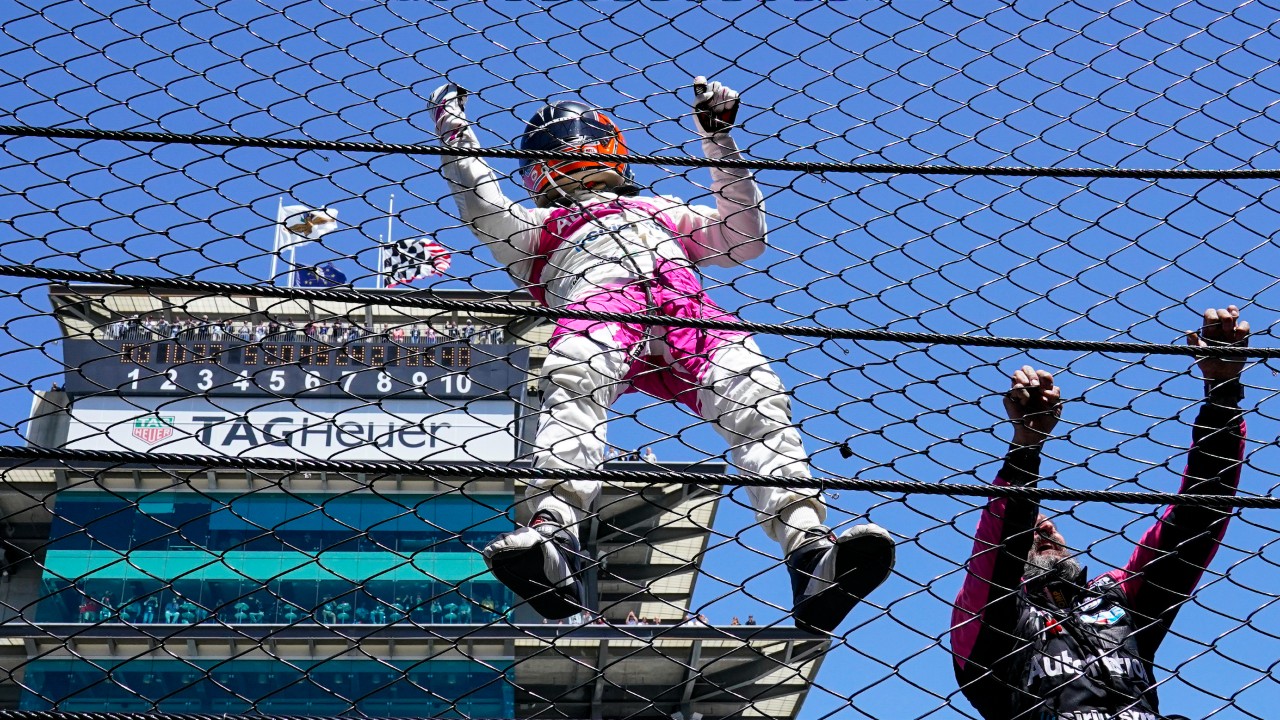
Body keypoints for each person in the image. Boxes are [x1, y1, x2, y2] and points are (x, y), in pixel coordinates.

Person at [429, 77, 894, 635]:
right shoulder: (533, 229)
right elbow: (478, 199)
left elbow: (743, 238)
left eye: (588, 141)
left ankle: (809, 553)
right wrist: (453, 128)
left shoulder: (660, 209)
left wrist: (718, 141)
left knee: (755, 395)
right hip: (601, 310)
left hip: (687, 314)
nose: (579, 151)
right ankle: (554, 536)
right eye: (566, 146)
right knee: (576, 374)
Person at [950, 307, 1249, 720]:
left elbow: (1198, 518)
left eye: (1048, 522)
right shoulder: (990, 626)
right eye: (1032, 526)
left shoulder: (1120, 600)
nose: (1047, 526)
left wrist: (1223, 390)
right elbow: (997, 554)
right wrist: (1025, 449)